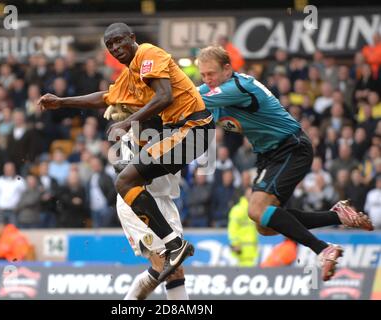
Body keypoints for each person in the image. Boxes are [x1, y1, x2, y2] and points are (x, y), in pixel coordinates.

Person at [38, 22, 214, 282]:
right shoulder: (130, 74)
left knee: (125, 179)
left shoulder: (148, 54)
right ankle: (171, 245)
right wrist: (62, 102)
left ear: (132, 38)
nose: (115, 48)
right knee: (126, 178)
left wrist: (126, 122)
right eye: (110, 45)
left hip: (192, 128)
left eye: (119, 41)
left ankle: (173, 243)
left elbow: (164, 96)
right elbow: (105, 98)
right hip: (178, 133)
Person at [197, 45, 374, 281]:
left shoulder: (238, 87)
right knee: (264, 225)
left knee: (257, 210)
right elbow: (189, 94)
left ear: (228, 69)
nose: (207, 79)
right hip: (268, 154)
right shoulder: (217, 90)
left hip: (290, 147)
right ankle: (337, 216)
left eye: (211, 73)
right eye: (203, 75)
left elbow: (189, 97)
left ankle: (323, 249)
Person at [109, 112, 188, 300]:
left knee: (175, 269)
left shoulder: (174, 122)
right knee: (162, 265)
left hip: (164, 199)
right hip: (139, 199)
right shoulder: (142, 128)